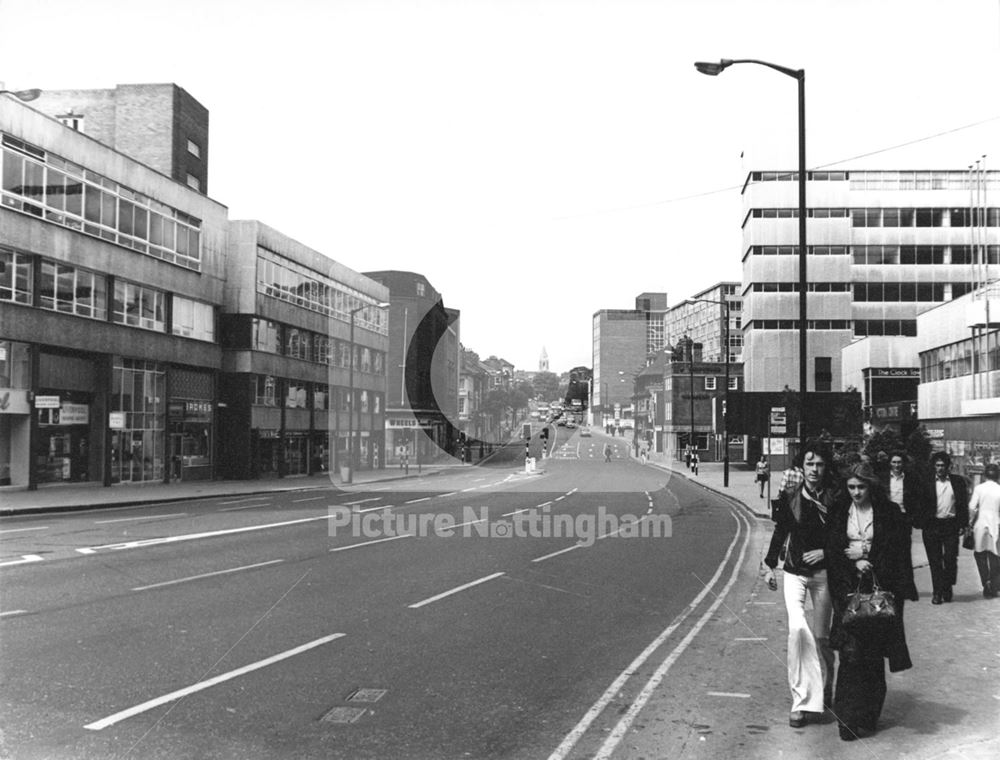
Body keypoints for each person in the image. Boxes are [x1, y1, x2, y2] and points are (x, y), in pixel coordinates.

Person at [826, 463, 915, 741]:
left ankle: (868, 715)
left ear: (871, 486)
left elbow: (896, 551)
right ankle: (847, 719)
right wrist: (853, 564)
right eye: (851, 487)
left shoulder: (888, 513)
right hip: (848, 591)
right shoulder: (839, 511)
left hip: (880, 591)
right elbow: (832, 550)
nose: (855, 492)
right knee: (851, 654)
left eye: (861, 487)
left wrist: (866, 553)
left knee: (874, 655)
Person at [761, 439, 838, 728]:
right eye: (809, 463)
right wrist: (769, 565)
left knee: (821, 638)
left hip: (824, 574)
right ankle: (800, 701)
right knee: (796, 631)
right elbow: (781, 531)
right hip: (794, 571)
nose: (815, 469)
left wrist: (826, 552)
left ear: (825, 467)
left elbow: (843, 537)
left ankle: (826, 685)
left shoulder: (835, 497)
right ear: (801, 467)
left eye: (819, 464)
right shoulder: (792, 497)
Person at [917, 452, 969, 604]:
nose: (940, 468)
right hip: (932, 526)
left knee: (950, 558)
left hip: (950, 525)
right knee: (935, 561)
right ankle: (937, 593)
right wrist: (921, 521)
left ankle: (947, 586)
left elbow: (962, 504)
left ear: (948, 467)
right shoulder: (926, 482)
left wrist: (963, 525)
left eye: (942, 466)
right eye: (937, 465)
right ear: (934, 466)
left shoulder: (957, 481)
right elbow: (919, 503)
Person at [968, 462, 1000, 598]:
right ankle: (993, 584)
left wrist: (969, 523)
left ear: (985, 475)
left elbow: (972, 507)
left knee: (980, 554)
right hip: (996, 525)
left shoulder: (979, 488)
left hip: (980, 525)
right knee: (995, 556)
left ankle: (985, 580)